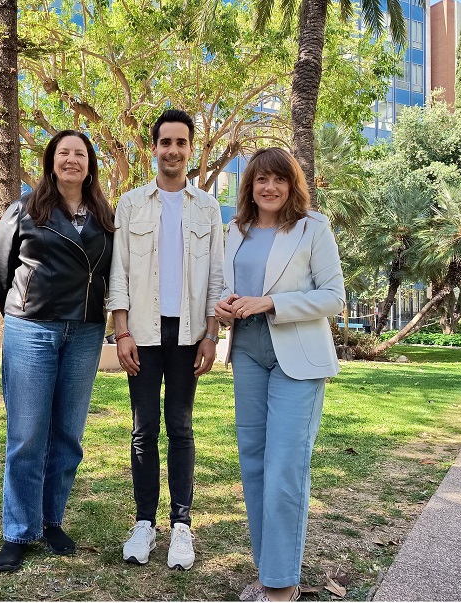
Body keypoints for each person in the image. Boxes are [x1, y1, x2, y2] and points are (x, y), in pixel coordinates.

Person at [214, 148, 345, 602]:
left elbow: (334, 297)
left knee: (286, 467)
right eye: (260, 180)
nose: (269, 188)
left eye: (279, 180)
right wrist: (223, 305)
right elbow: (222, 286)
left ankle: (282, 584)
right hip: (247, 353)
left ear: (292, 185)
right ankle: (268, 569)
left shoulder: (314, 228)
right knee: (253, 463)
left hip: (299, 359)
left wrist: (273, 303)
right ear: (249, 186)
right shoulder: (234, 232)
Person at [0, 130, 115, 572]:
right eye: (64, 153)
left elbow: (110, 272)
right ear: (51, 161)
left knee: (68, 434)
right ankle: (19, 532)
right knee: (27, 435)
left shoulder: (103, 214)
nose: (72, 160)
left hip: (85, 332)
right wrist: (21, 314)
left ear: (90, 163)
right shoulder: (24, 208)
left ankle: (51, 520)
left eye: (80, 153)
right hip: (31, 329)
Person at [108, 109, 224, 571]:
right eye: (165, 142)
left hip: (189, 332)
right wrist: (122, 331)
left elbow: (216, 275)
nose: (173, 150)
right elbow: (118, 271)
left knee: (180, 426)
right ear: (153, 148)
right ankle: (143, 523)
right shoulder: (131, 204)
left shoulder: (208, 208)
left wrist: (212, 334)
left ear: (191, 149)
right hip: (143, 331)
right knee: (142, 429)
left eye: (181, 142)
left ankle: (180, 525)